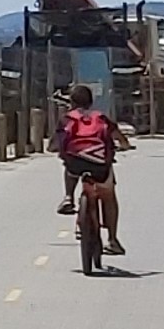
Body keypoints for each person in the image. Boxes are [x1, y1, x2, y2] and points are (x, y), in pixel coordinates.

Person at [54, 84, 125, 253]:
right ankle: (113, 240)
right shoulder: (100, 117)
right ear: (91, 102)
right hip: (100, 165)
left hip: (75, 164)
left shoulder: (67, 118)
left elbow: (54, 144)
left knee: (69, 167)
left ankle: (68, 197)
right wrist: (126, 144)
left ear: (71, 102)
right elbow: (119, 137)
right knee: (109, 196)